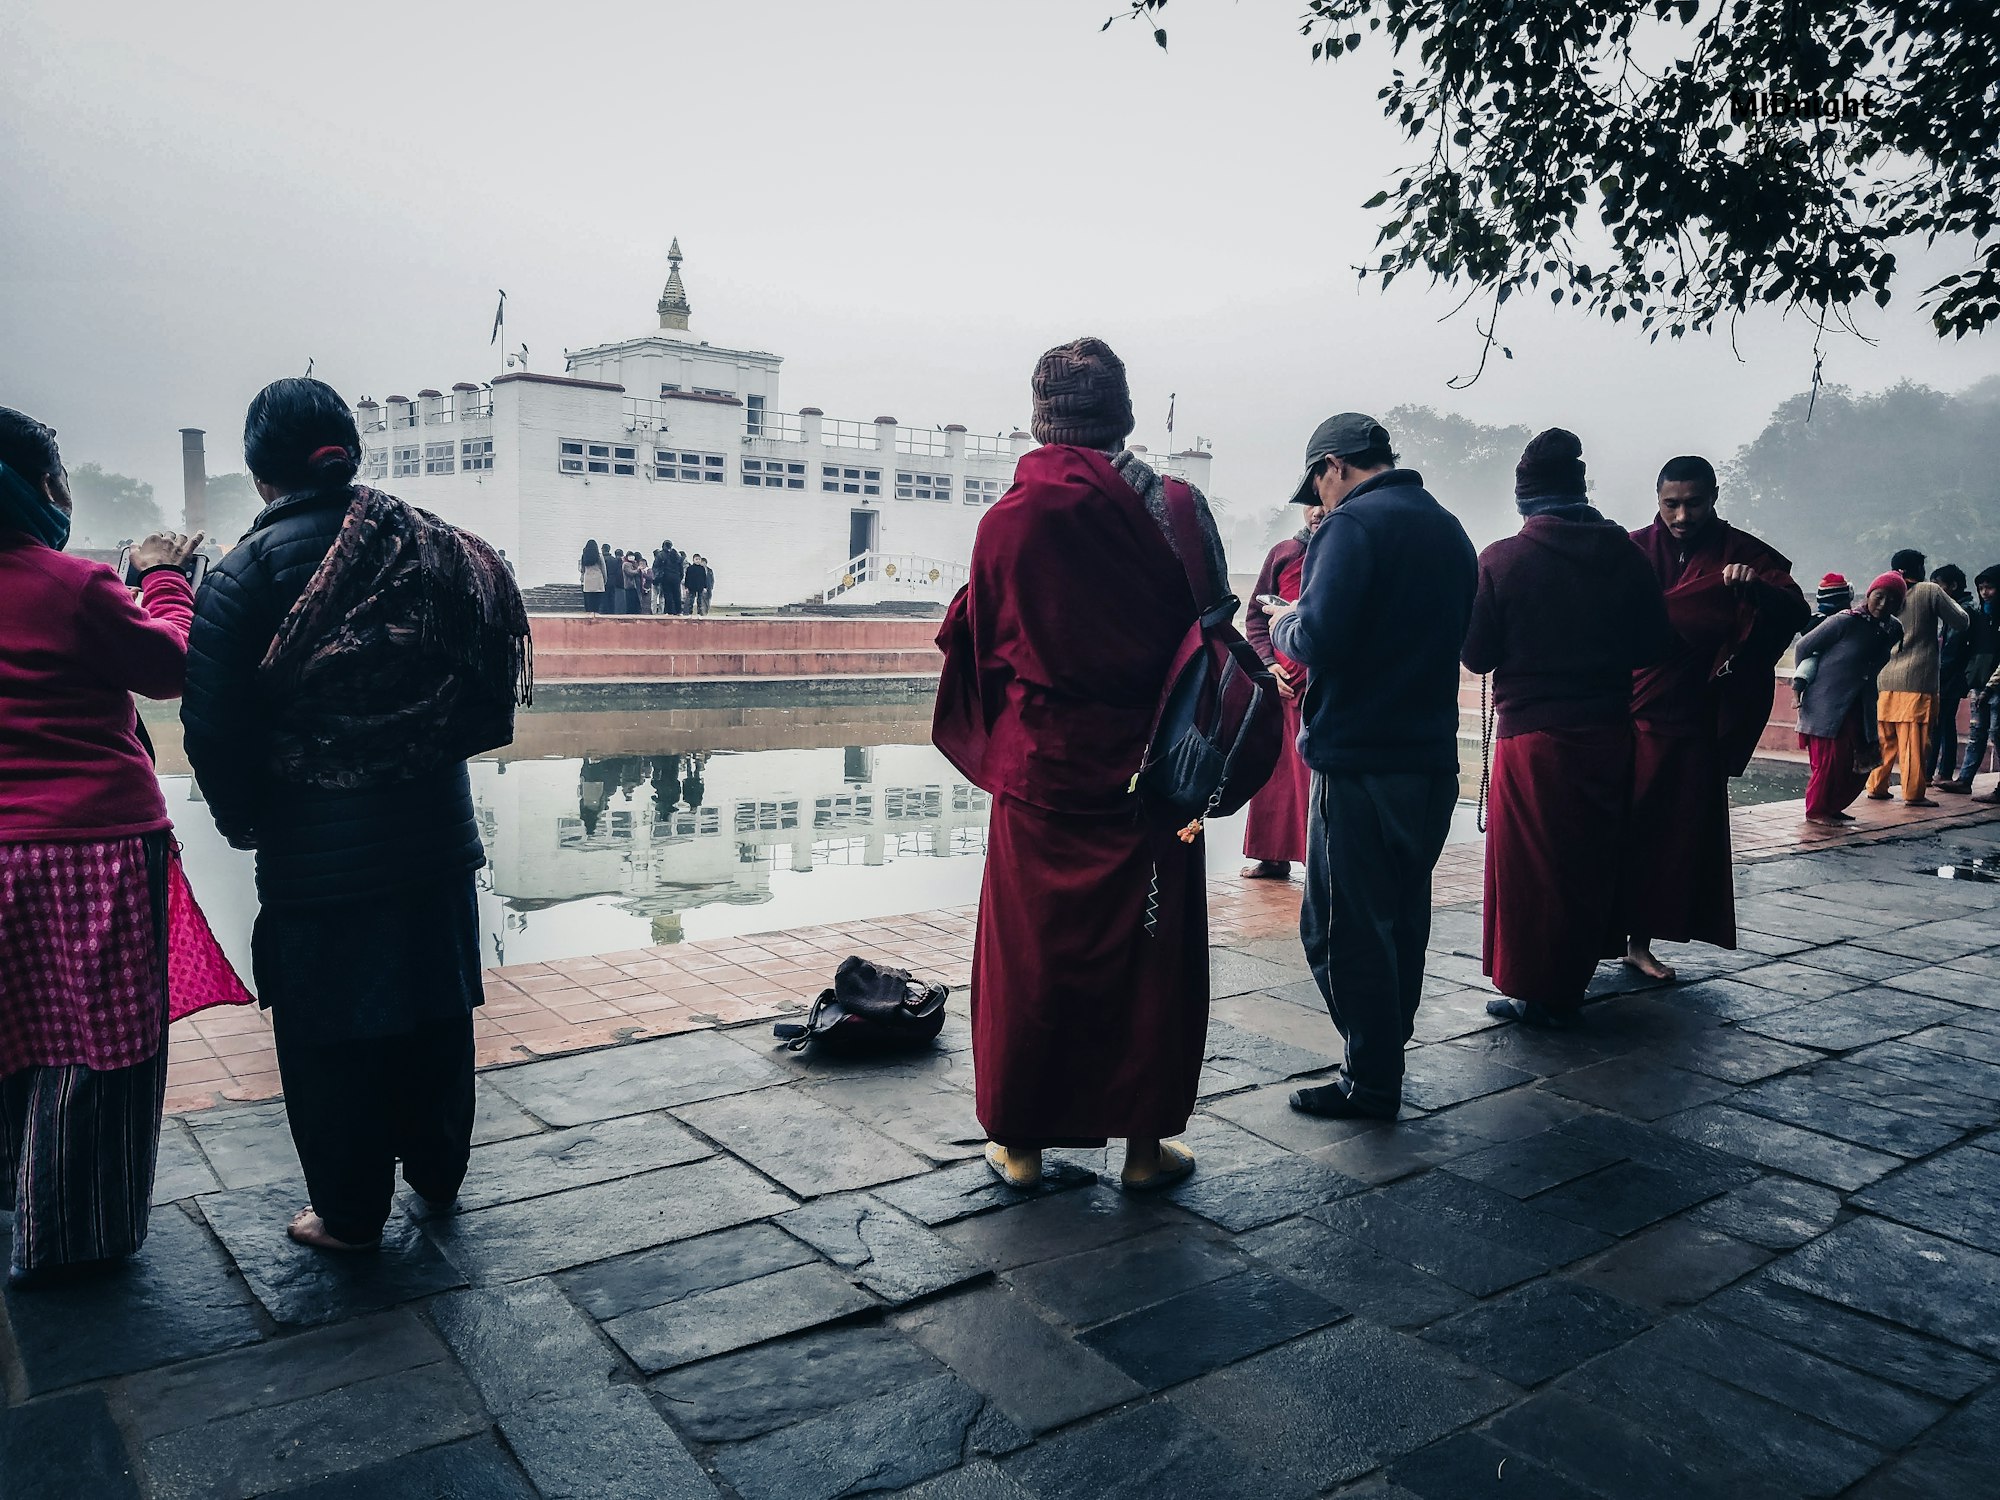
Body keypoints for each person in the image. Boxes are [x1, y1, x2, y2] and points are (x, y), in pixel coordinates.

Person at [183, 377, 530, 1252]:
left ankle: (347, 1215)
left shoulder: (242, 575)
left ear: (262, 472)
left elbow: (214, 730)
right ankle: (439, 1178)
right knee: (435, 1009)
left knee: (331, 1035)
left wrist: (243, 819)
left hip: (317, 856)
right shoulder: (435, 548)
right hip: (437, 837)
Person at [933, 336, 1221, 1190]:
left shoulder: (1007, 522)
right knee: (1152, 958)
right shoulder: (1179, 508)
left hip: (1042, 777)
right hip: (1153, 773)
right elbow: (1209, 630)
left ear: (1041, 421)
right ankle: (1141, 1150)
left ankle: (1020, 1145)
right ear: (1124, 416)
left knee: (1033, 958)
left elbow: (983, 650)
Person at [0, 407, 207, 1281]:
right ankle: (74, 1234)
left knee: (16, 1036)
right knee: (98, 1050)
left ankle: (17, 1198)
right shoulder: (72, 585)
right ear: (33, 488)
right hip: (94, 849)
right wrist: (163, 580)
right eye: (57, 482)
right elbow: (169, 666)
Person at [1264, 413, 1477, 1119]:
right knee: (1400, 917)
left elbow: (1319, 636)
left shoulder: (1350, 528)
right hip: (1429, 762)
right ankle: (1385, 1053)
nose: (1317, 502)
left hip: (1359, 761)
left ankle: (1372, 1074)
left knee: (1340, 928)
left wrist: (1284, 619)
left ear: (1333, 465)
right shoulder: (1447, 527)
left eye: (1317, 485)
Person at [1461, 430, 1674, 1027]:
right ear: (1580, 491)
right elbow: (1655, 643)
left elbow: (1476, 654)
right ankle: (1570, 980)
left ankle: (1539, 990)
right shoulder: (1626, 555)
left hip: (1533, 736)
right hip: (1608, 729)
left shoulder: (1503, 558)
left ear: (1525, 498)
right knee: (1588, 860)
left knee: (1533, 868)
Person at [1621, 456, 1808, 982]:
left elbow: (1796, 609)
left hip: (1690, 718)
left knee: (1670, 834)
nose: (1681, 515)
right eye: (1671, 504)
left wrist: (1754, 588)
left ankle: (1640, 942)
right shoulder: (1633, 549)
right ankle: (1592, 935)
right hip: (1625, 713)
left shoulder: (1741, 552)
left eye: (1694, 503)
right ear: (1657, 499)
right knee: (1609, 829)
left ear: (1714, 496)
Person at [1240, 504, 1325, 879]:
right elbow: (1256, 616)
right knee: (1273, 776)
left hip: (1320, 688)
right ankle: (1271, 856)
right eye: (1310, 504)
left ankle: (1317, 864)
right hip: (1280, 687)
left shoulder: (1343, 549)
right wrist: (1266, 664)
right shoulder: (1284, 553)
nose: (1318, 510)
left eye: (1322, 500)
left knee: (1312, 780)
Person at [1796, 574, 1908, 824]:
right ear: (1868, 595)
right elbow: (1804, 647)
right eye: (1879, 596)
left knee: (1860, 758)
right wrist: (1804, 682)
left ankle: (1833, 805)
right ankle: (1817, 811)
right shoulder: (1844, 621)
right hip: (1827, 703)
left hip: (1861, 703)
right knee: (1830, 760)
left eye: (1892, 600)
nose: (1883, 604)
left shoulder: (1893, 628)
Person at [1865, 548, 1969, 807]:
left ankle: (1877, 786)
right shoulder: (1928, 591)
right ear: (1917, 570)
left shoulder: (1885, 591)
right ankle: (1913, 793)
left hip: (1885, 678)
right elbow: (1961, 621)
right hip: (1918, 680)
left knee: (1885, 739)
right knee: (1915, 740)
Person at [1938, 565, 2000, 796]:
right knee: (1977, 734)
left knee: (1997, 733)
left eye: (1990, 587)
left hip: (1996, 686)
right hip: (1979, 683)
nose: (1985, 592)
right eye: (1981, 588)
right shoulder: (1980, 617)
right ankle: (1964, 780)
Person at [1927, 564, 1973, 787]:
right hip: (1954, 676)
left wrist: (1938, 675)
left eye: (1938, 585)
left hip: (1950, 677)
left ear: (1953, 586)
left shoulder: (1959, 612)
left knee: (1939, 723)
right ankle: (1942, 771)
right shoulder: (1957, 608)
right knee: (1945, 723)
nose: (1935, 591)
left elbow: (1952, 651)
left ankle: (1931, 773)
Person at [657, 540, 685, 616]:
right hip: (676, 578)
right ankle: (679, 611)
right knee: (677, 594)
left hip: (666, 577)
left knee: (668, 594)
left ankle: (670, 612)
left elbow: (657, 567)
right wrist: (680, 577)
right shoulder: (677, 555)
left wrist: (658, 578)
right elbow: (681, 568)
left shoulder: (661, 555)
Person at [579, 540, 605, 613]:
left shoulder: (584, 556)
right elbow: (603, 569)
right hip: (598, 580)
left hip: (587, 580)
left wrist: (582, 579)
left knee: (589, 603)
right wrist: (604, 580)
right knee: (597, 604)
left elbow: (582, 569)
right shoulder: (599, 556)